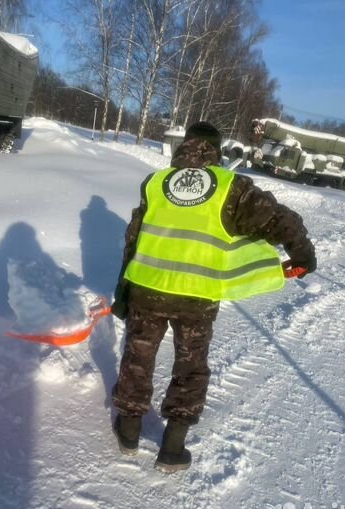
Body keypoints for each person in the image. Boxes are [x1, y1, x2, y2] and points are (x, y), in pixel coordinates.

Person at [111, 121, 316, 473]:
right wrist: (302, 254)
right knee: (190, 367)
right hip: (196, 297)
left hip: (148, 288)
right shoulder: (230, 187)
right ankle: (172, 448)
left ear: (185, 145)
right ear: (217, 150)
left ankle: (128, 432)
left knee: (137, 357)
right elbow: (278, 219)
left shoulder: (156, 183)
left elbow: (134, 237)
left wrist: (123, 291)